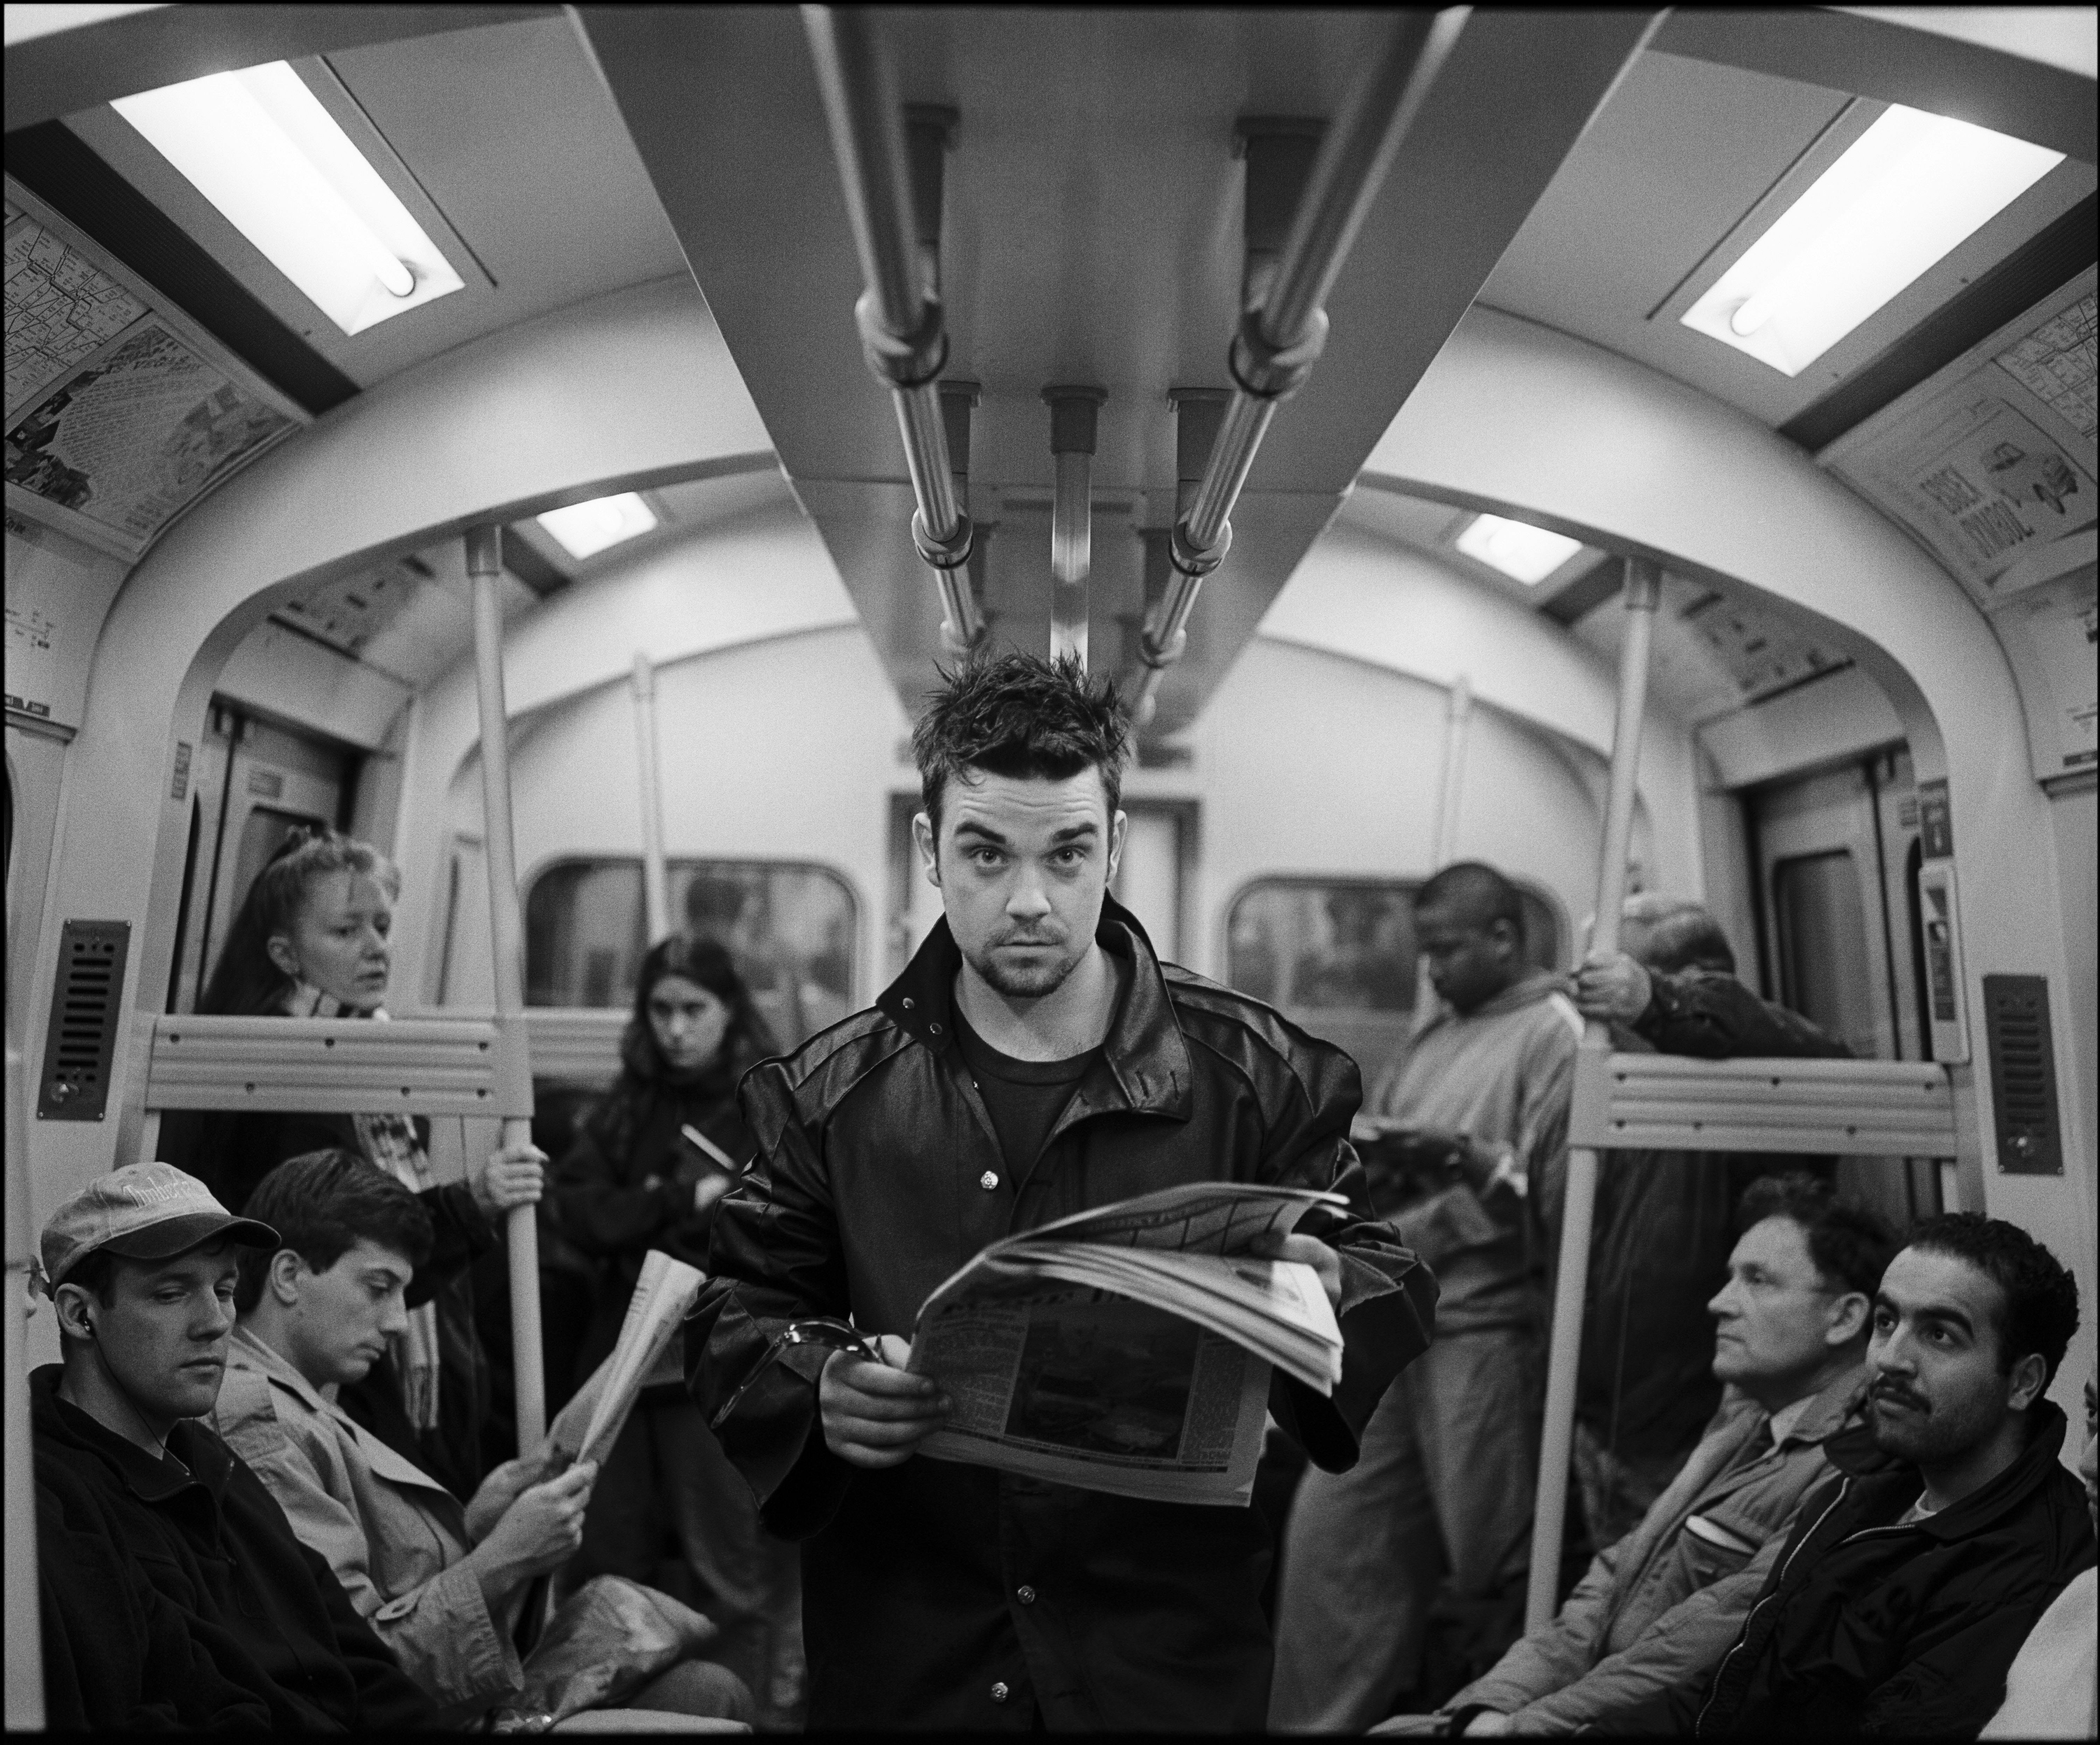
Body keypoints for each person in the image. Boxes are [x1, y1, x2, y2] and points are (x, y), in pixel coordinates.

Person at [685, 652, 1436, 1730]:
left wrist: (1324, 1291)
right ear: (928, 851)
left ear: (1113, 846)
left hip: (1155, 1645)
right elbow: (733, 1308)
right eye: (985, 852)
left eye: (1067, 852)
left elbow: (1387, 1271)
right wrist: (820, 1379)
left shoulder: (1258, 1076)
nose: (1028, 899)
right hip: (911, 1638)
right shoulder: (828, 1095)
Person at [213, 1149, 755, 1727]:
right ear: (290, 1276)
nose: (398, 1322)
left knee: (704, 1690)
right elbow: (355, 1667)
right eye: (378, 1288)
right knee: (712, 1703)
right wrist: (502, 1559)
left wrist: (476, 1525)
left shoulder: (301, 1399)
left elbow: (381, 1579)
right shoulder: (261, 1427)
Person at [1374, 1173, 1895, 1736]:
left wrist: (1522, 1725)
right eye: (1730, 1278)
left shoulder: (1846, 1469)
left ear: (1844, 1318)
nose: (1720, 1303)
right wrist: (1485, 1708)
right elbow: (1608, 1587)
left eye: (1759, 1281)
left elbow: (1695, 1650)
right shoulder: (1744, 1430)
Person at [1271, 860, 1581, 1731]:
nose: (1432, 970)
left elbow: (1550, 1210)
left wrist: (1448, 1177)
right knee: (1331, 1559)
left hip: (1482, 1338)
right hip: (1391, 1331)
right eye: (1424, 953)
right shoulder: (1437, 1038)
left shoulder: (1555, 1038)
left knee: (1496, 1569)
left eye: (1446, 950)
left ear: (1503, 938)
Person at [164, 825, 546, 1500]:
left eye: (382, 926)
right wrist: (470, 1204)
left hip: (390, 1361)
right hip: (329, 1361)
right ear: (285, 954)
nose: (376, 949)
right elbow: (336, 1245)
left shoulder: (371, 1051)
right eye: (345, 932)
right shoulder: (280, 1076)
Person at [31, 1161, 438, 1731]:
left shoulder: (214, 1465)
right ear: (80, 1314)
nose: (216, 1322)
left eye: (224, 1290)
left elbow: (367, 1669)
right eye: (171, 1293)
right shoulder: (48, 1506)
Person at [1694, 1213, 2095, 1736]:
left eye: (1938, 1334)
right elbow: (1743, 1676)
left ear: (2023, 1382)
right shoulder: (1863, 1484)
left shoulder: (2025, 1572)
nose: (1890, 1358)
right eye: (1886, 1322)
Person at [552, 932, 805, 1727]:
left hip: (719, 1370)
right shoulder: (631, 1108)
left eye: (694, 1010)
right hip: (623, 1372)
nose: (676, 1029)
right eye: (660, 1010)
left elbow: (769, 1230)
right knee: (607, 1573)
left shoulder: (765, 1106)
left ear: (730, 1014)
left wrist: (655, 1214)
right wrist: (678, 1203)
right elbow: (579, 1212)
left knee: (733, 1577)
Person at [1568, 895, 1853, 1546]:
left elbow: (1807, 1049)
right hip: (1601, 1419)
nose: (1593, 1013)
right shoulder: (1618, 1090)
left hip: (1696, 1422)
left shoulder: (1751, 1086)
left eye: (1604, 988)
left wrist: (1656, 1001)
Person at [1981, 1357, 2096, 1738]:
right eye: (2094, 1415)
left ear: (2024, 1382)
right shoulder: (2083, 1597)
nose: (2088, 1463)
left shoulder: (2046, 1561)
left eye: (1941, 1335)